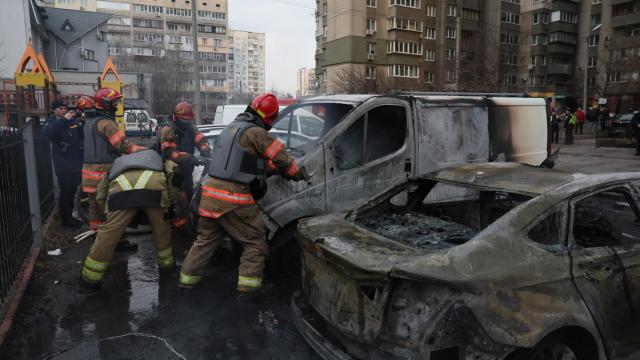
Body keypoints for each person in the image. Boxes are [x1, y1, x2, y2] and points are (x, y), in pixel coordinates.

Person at [179, 93, 308, 293]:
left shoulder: (230, 129)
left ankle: (185, 284)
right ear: (269, 117)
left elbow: (242, 163)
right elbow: (282, 159)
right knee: (256, 243)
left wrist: (268, 168)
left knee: (204, 242)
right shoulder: (256, 133)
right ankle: (248, 294)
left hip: (209, 194)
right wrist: (297, 173)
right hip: (232, 198)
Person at [80, 150, 179, 288]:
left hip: (120, 193)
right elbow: (173, 176)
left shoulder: (116, 165)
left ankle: (89, 280)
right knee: (161, 231)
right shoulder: (161, 160)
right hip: (154, 190)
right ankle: (167, 267)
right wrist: (170, 205)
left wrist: (108, 215)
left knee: (107, 237)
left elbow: (100, 195)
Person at [81, 88, 145, 250]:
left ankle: (98, 237)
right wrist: (146, 151)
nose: (116, 106)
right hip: (104, 174)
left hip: (89, 173)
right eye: (114, 103)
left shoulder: (89, 122)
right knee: (114, 210)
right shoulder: (107, 124)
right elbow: (124, 146)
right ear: (106, 104)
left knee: (94, 207)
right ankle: (119, 242)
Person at [157, 102, 211, 229]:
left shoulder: (191, 127)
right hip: (173, 166)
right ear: (176, 117)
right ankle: (173, 216)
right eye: (183, 120)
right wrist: (189, 158)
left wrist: (205, 149)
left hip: (187, 166)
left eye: (188, 120)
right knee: (177, 191)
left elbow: (201, 139)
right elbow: (170, 152)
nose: (186, 122)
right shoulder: (168, 129)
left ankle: (185, 217)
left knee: (188, 191)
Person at [43, 99, 86, 229]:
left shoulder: (71, 121)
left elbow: (81, 136)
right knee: (66, 191)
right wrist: (64, 120)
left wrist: (83, 122)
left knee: (73, 191)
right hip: (63, 164)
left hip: (75, 162)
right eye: (61, 108)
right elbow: (50, 134)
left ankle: (71, 216)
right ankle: (66, 220)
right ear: (54, 110)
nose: (64, 110)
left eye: (65, 108)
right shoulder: (51, 122)